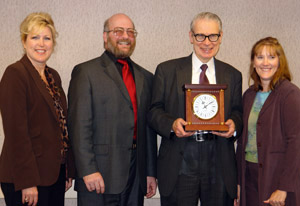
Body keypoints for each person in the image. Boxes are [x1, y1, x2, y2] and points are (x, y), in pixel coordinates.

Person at [148, 12, 243, 206]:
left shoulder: (233, 74)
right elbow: (153, 111)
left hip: (219, 161)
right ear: (191, 37)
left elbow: (238, 111)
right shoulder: (166, 71)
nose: (207, 42)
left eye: (213, 36)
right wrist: (172, 124)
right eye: (200, 36)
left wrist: (235, 124)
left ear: (221, 37)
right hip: (179, 159)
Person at [67, 13, 157, 206]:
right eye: (118, 31)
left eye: (130, 32)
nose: (125, 36)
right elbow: (79, 127)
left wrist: (150, 172)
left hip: (136, 176)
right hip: (98, 175)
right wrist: (87, 170)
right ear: (105, 36)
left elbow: (147, 130)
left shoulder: (146, 77)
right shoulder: (85, 72)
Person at [0, 12, 75, 206]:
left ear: (53, 44)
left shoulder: (53, 77)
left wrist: (66, 168)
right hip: (26, 178)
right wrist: (27, 181)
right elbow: (17, 133)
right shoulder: (15, 74)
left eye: (47, 38)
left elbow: (62, 126)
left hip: (53, 174)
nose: (41, 44)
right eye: (35, 37)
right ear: (24, 42)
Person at [236, 37, 300, 206]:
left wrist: (284, 187)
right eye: (260, 57)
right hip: (248, 175)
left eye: (271, 57)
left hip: (276, 176)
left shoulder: (290, 94)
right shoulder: (248, 95)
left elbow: (296, 142)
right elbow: (242, 141)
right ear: (253, 62)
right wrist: (238, 182)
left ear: (280, 62)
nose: (265, 63)